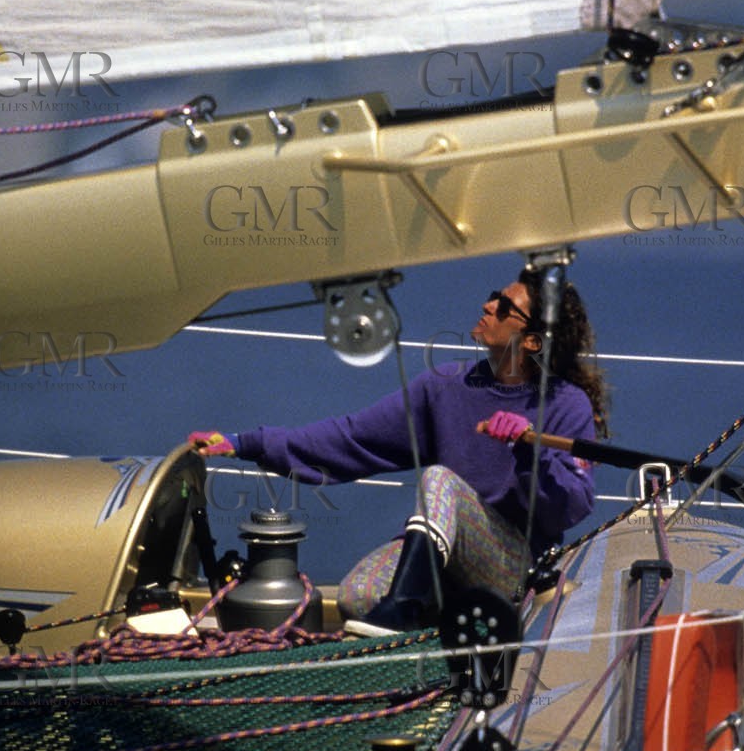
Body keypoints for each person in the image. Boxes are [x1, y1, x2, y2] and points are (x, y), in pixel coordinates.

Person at [189, 271, 608, 636]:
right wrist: (246, 443)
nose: (487, 305)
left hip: (513, 571)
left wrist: (531, 451)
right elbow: (352, 438)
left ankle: (406, 609)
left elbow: (570, 507)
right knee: (357, 598)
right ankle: (431, 617)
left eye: (502, 307)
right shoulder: (446, 387)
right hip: (448, 567)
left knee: (439, 481)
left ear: (532, 340)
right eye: (494, 295)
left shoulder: (565, 403)